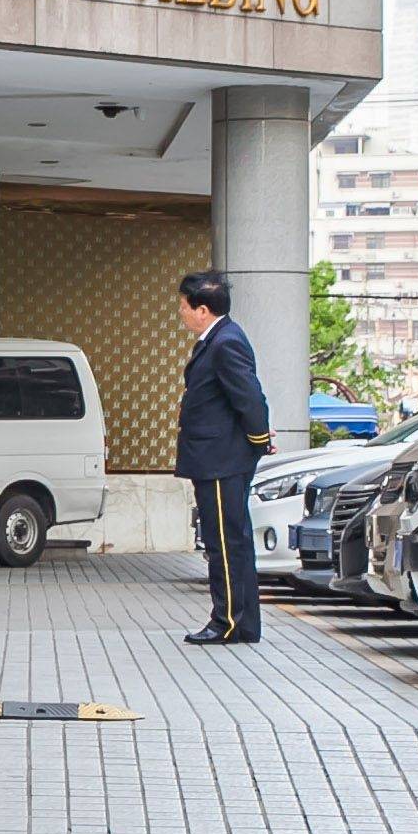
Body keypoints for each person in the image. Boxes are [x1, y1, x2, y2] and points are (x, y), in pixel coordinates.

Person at [174, 270, 274, 644]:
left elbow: (248, 397)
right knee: (231, 540)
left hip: (220, 460)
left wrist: (258, 438)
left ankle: (228, 620)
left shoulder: (224, 342)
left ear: (202, 309)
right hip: (219, 456)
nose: (181, 313)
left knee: (224, 542)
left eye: (184, 306)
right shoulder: (218, 339)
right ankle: (242, 622)